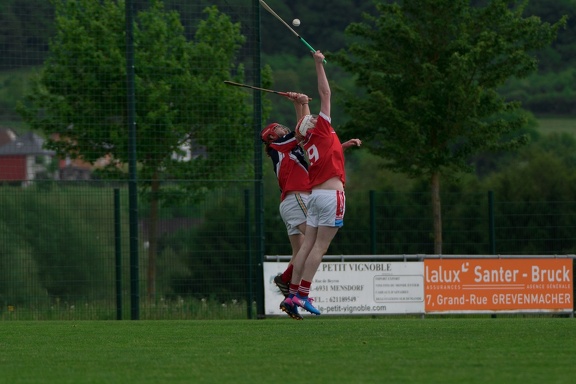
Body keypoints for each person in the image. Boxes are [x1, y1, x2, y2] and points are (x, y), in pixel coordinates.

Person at [280, 50, 361, 317]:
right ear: (312, 127)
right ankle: (303, 295)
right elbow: (326, 94)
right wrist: (318, 65)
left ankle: (292, 295)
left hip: (315, 197)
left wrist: (299, 103)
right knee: (319, 247)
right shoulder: (321, 129)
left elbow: (328, 149)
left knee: (306, 246)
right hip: (330, 197)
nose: (315, 116)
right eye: (312, 119)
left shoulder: (310, 139)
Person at [261, 92, 311, 320]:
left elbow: (303, 129)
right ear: (272, 136)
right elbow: (303, 131)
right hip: (297, 198)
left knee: (299, 251)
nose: (283, 128)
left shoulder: (285, 148)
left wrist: (300, 104)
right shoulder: (280, 146)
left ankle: (290, 300)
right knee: (315, 241)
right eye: (278, 128)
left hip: (290, 202)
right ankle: (285, 281)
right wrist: (301, 104)